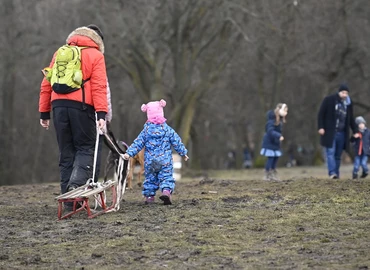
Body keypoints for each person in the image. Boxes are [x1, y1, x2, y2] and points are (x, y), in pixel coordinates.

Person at [39, 25, 108, 202]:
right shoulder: (96, 55)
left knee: (66, 150)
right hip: (82, 107)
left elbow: (47, 83)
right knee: (86, 147)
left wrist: (44, 113)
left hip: (58, 106)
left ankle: (68, 201)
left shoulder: (60, 52)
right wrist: (101, 113)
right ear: (97, 40)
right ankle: (76, 186)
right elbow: (100, 86)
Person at [123, 99, 189, 205]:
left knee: (150, 179)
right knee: (166, 177)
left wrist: (128, 153)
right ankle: (166, 192)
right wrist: (183, 153)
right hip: (165, 160)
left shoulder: (146, 131)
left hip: (150, 161)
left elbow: (138, 143)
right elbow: (176, 141)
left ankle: (149, 197)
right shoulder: (167, 129)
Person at [317, 83, 358, 179]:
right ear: (339, 92)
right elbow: (321, 115)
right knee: (330, 152)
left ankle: (336, 173)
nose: (344, 95)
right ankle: (332, 173)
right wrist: (321, 127)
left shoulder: (348, 104)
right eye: (343, 92)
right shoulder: (329, 100)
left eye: (346, 93)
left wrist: (355, 130)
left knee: (338, 155)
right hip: (330, 132)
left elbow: (351, 118)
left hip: (342, 133)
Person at [260, 103, 288, 181]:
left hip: (275, 143)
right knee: (271, 158)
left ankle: (273, 172)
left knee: (275, 158)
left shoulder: (279, 121)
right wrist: (278, 135)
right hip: (269, 143)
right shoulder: (271, 121)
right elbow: (270, 131)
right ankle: (267, 173)